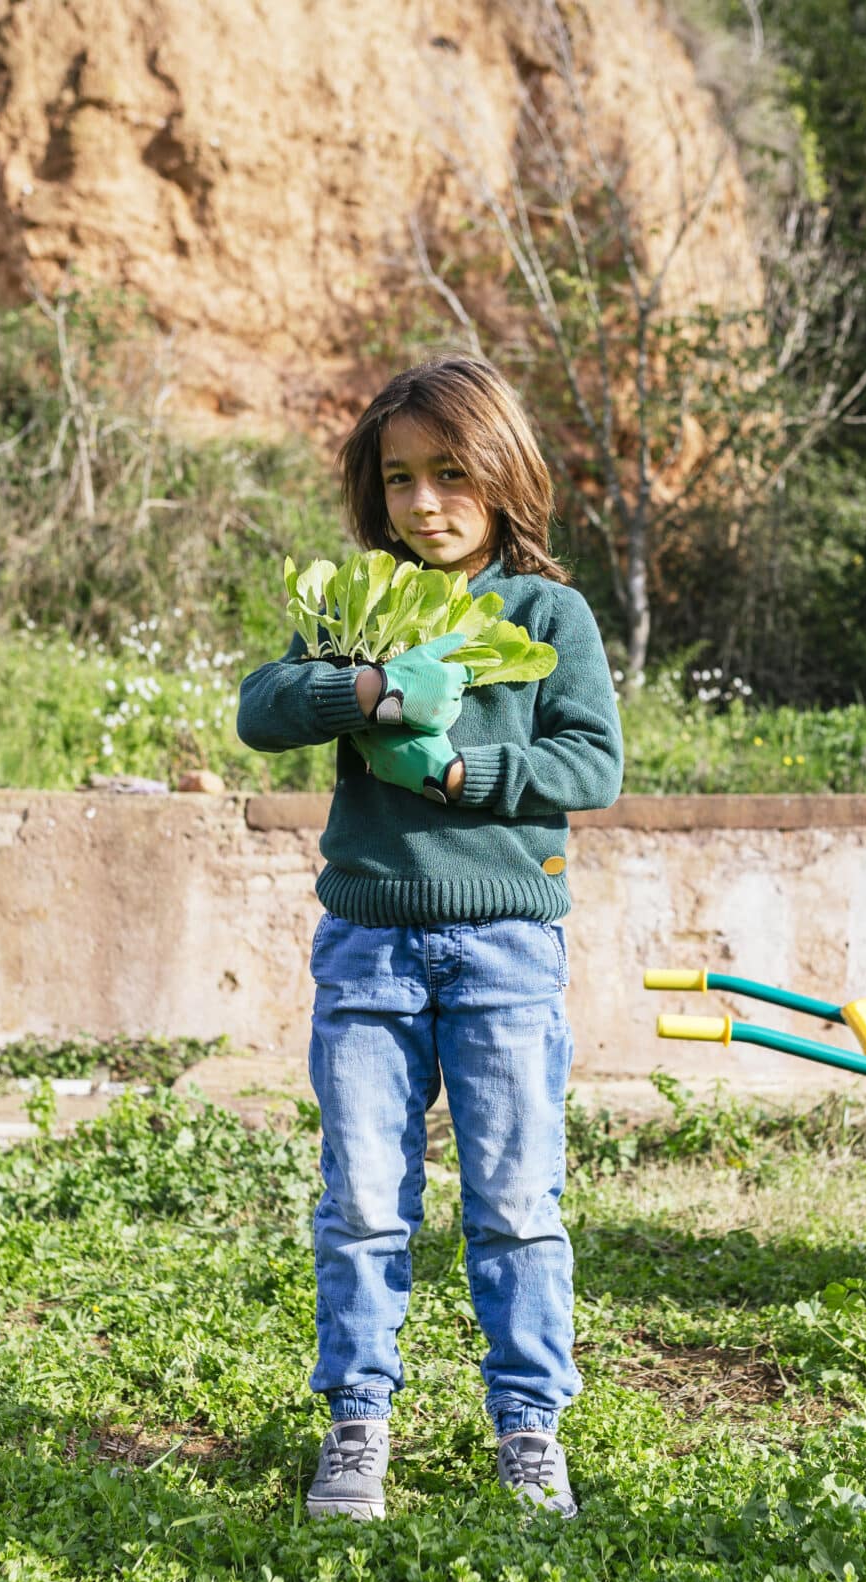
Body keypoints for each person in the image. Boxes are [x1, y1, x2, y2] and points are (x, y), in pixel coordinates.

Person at [235, 355, 623, 1519]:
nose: (424, 504)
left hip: (505, 943)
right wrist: (355, 694)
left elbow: (590, 764)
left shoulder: (548, 612)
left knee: (513, 1199)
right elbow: (259, 709)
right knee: (361, 1198)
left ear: (502, 474)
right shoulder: (356, 610)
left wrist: (459, 769)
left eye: (451, 473)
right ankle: (358, 1421)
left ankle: (528, 1428)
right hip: (367, 940)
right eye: (399, 478)